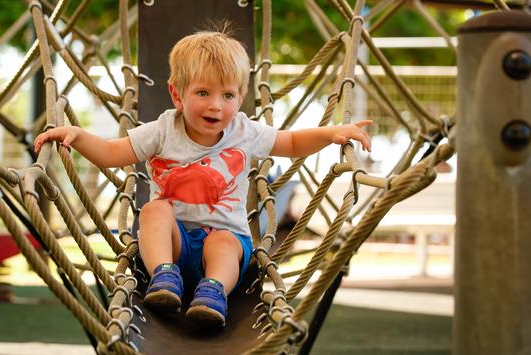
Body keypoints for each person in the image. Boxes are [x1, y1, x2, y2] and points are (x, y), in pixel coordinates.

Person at [34, 28, 371, 328]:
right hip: (174, 246)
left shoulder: (243, 130)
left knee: (223, 241)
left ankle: (213, 293)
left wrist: (332, 133)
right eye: (203, 93)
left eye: (228, 95)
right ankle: (163, 277)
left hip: (225, 254)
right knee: (153, 211)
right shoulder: (163, 130)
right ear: (177, 95)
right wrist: (77, 136)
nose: (216, 106)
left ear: (240, 97)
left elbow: (292, 142)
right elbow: (111, 153)